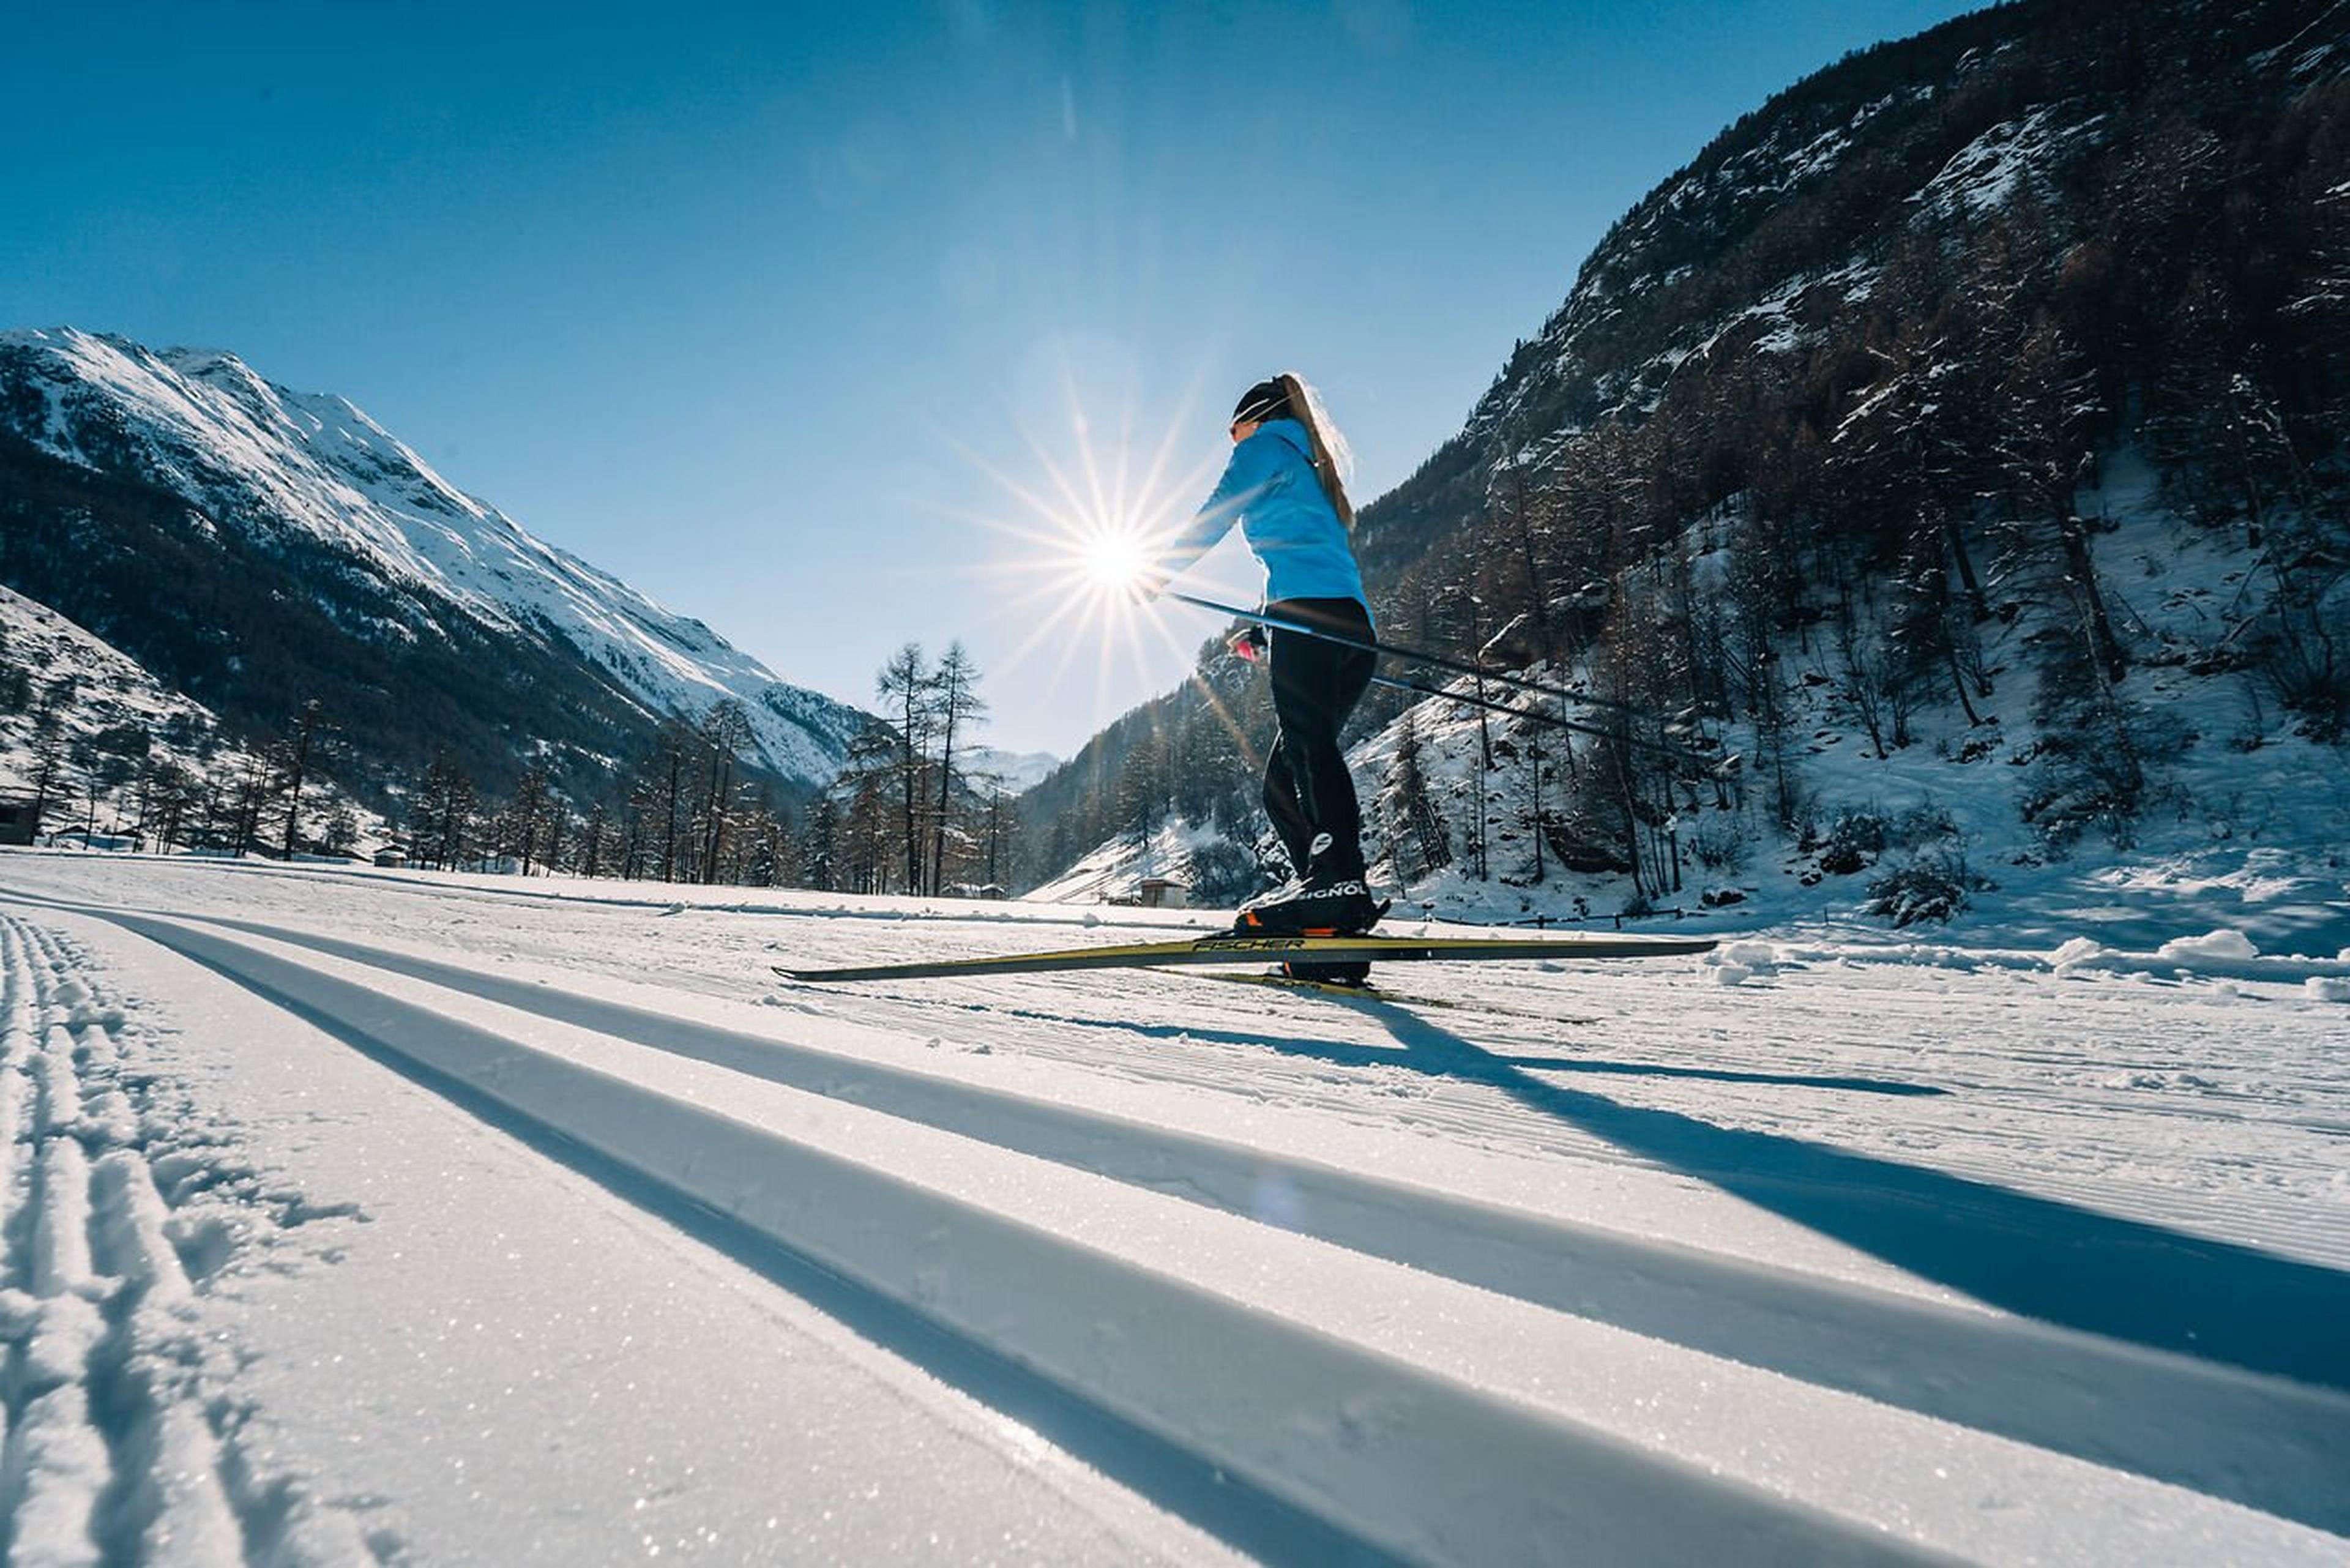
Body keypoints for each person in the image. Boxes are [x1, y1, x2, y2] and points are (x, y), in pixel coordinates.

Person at [1143, 373, 1384, 939]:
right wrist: (1263, 625)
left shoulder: (1264, 446)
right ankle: (1326, 903)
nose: (1232, 441)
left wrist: (1155, 571)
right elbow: (1304, 560)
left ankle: (1338, 883)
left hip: (1307, 618)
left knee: (1309, 746)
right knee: (1284, 775)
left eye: (1233, 429)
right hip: (1348, 628)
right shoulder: (1307, 465)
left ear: (1256, 416)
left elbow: (1217, 512)